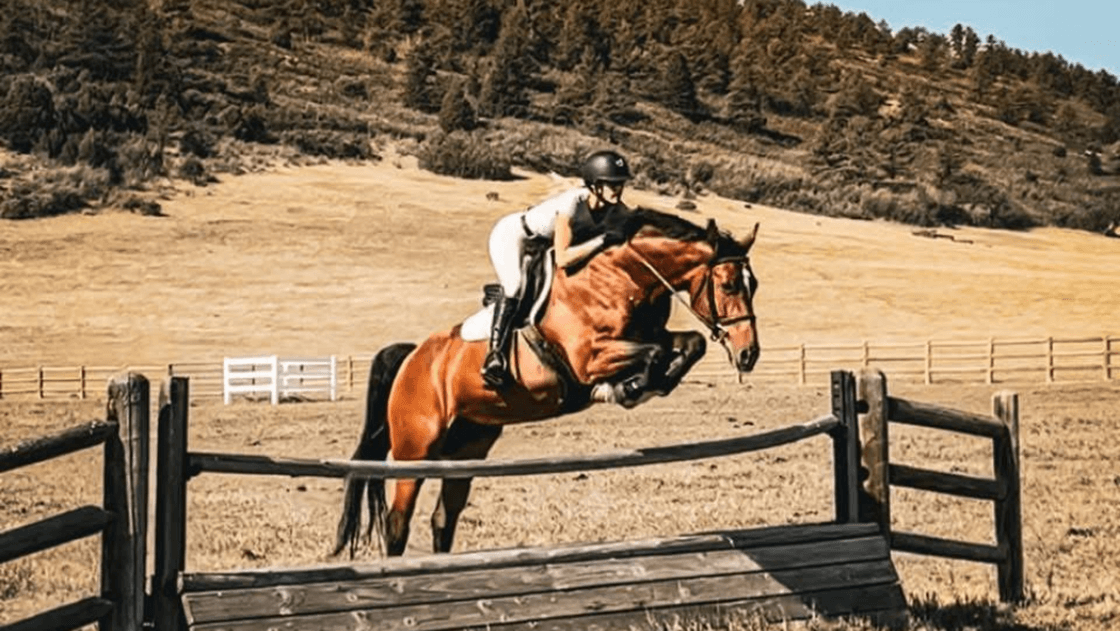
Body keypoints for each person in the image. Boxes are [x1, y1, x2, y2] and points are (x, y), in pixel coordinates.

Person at [480, 149, 633, 390]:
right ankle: (494, 358)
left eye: (620, 184)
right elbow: (563, 258)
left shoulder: (616, 208)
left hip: (543, 247)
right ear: (595, 185)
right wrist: (601, 241)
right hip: (515, 236)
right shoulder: (571, 205)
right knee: (515, 286)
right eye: (611, 184)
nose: (617, 189)